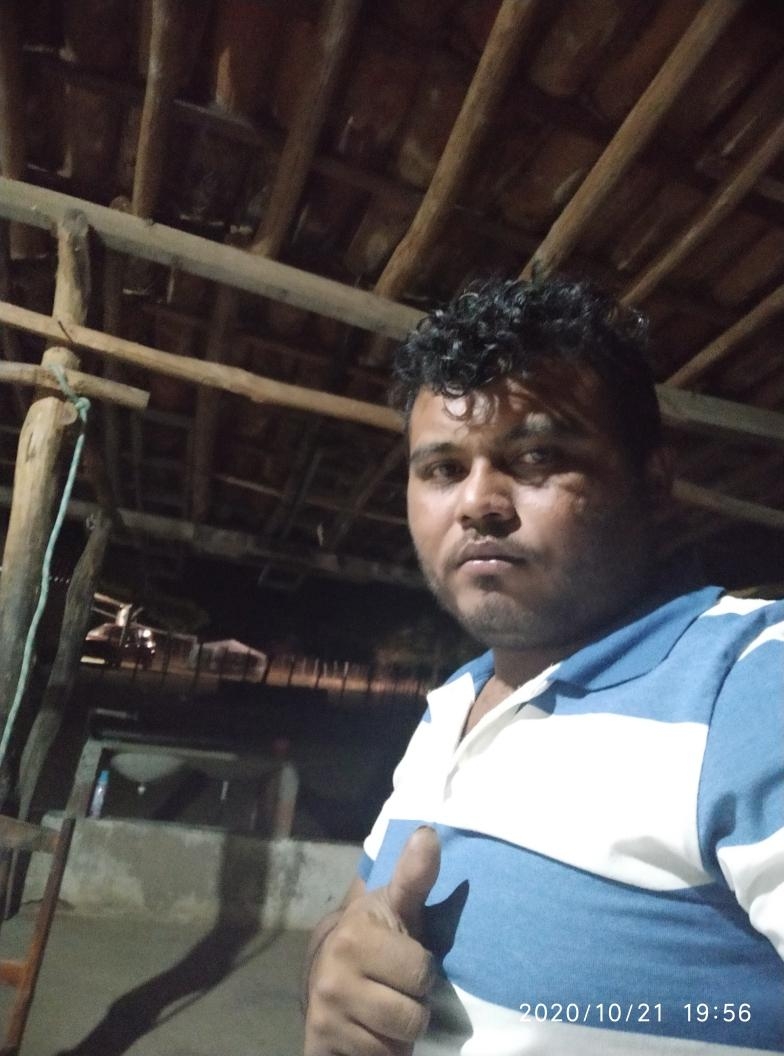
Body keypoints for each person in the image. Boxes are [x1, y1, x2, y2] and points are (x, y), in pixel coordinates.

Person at [302, 277, 784, 1056]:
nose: (478, 503)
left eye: (535, 457)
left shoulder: (749, 684)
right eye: (442, 469)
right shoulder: (451, 706)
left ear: (654, 483)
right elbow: (357, 918)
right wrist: (331, 973)